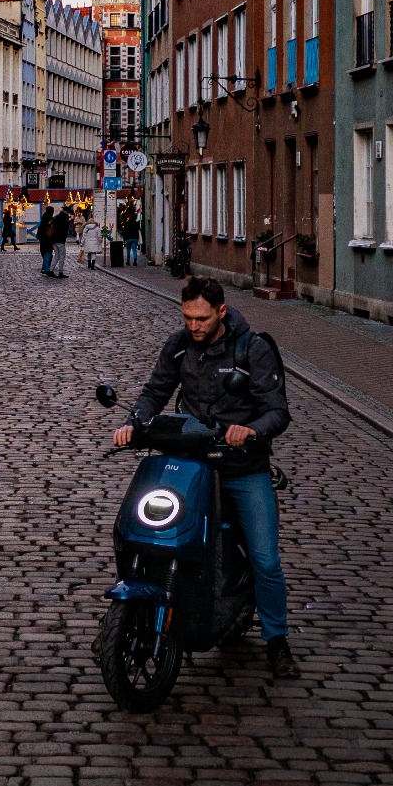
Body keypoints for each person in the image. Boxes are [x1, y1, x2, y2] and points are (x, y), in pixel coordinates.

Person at [113, 277, 298, 679]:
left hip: (241, 466)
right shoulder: (179, 344)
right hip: (190, 464)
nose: (194, 326)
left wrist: (250, 431)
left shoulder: (253, 348)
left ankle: (277, 639)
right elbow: (155, 391)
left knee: (265, 558)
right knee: (143, 530)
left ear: (221, 312)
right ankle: (128, 620)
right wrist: (133, 423)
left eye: (201, 318)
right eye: (187, 317)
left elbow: (277, 411)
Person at [120, 202, 143, 267]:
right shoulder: (135, 223)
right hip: (135, 238)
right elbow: (138, 230)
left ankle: (128, 261)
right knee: (134, 250)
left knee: (128, 250)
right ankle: (135, 260)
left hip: (128, 238)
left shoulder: (126, 224)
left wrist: (124, 238)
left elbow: (124, 231)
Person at [38, 204, 58, 277]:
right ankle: (47, 269)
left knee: (45, 254)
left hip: (43, 239)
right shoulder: (50, 219)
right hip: (48, 239)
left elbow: (40, 230)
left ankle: (44, 268)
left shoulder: (43, 218)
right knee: (48, 254)